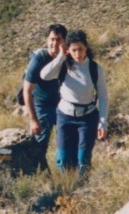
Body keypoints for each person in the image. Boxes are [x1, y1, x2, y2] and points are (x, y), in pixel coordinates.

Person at [39, 30, 108, 174]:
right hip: (65, 116)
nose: (78, 54)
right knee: (63, 159)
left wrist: (102, 122)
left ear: (86, 48)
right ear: (68, 50)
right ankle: (67, 186)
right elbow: (44, 75)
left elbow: (103, 97)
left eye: (81, 49)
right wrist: (60, 57)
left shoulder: (95, 69)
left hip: (87, 118)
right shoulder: (63, 66)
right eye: (74, 50)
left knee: (83, 159)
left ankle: (82, 187)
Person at [17, 23, 67, 171]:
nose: (54, 43)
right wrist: (33, 119)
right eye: (52, 39)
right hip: (42, 106)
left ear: (64, 41)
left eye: (58, 39)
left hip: (63, 107)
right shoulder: (38, 59)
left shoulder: (67, 57)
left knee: (66, 144)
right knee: (39, 146)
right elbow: (27, 90)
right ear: (47, 40)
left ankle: (65, 176)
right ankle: (39, 176)